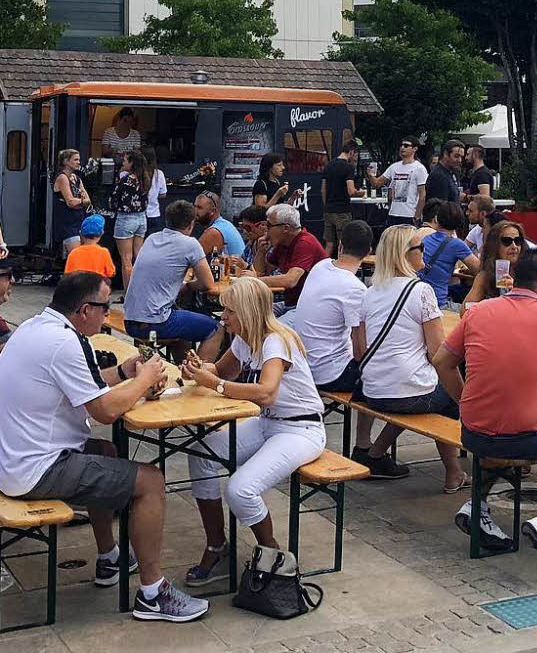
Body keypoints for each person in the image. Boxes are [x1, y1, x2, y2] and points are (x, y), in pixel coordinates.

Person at [0, 271, 209, 621]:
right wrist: (143, 381)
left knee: (107, 454)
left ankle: (110, 557)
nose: (108, 312)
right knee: (151, 481)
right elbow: (107, 411)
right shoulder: (62, 344)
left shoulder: (39, 328)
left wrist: (127, 374)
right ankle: (153, 594)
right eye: (105, 305)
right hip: (35, 468)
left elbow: (88, 385)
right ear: (84, 310)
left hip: (15, 457)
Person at [434, 248, 537, 580]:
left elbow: (441, 360)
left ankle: (476, 507)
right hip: (527, 436)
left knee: (504, 435)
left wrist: (465, 400)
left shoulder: (479, 312)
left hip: (474, 433)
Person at [181, 278, 326, 587]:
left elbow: (266, 392)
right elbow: (221, 371)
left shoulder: (276, 340)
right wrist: (198, 369)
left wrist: (213, 384)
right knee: (200, 455)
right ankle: (216, 544)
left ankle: (272, 554)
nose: (223, 317)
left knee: (240, 489)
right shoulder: (245, 338)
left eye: (229, 311)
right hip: (268, 423)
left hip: (301, 428)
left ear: (246, 312)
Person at [352, 225, 467, 491]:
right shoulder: (421, 290)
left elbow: (360, 352)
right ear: (404, 254)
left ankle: (376, 453)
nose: (425, 251)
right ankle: (454, 472)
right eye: (420, 247)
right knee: (451, 396)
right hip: (405, 392)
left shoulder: (369, 293)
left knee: (413, 393)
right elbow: (438, 355)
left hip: (373, 390)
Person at [123, 200, 224, 361]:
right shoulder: (190, 244)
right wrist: (189, 285)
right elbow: (208, 284)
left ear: (167, 221)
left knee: (182, 328)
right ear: (191, 224)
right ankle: (198, 378)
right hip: (155, 324)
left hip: (130, 321)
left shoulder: (152, 238)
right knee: (217, 329)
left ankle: (180, 370)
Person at [293, 220, 370, 394]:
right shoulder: (355, 289)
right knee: (384, 377)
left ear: (340, 246)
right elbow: (359, 351)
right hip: (331, 375)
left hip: (303, 366)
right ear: (368, 252)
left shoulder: (321, 266)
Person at [250, 203, 327, 319]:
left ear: (286, 228)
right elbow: (262, 272)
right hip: (289, 304)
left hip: (308, 308)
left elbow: (290, 280)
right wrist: (261, 252)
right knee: (246, 317)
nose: (266, 230)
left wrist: (253, 280)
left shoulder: (305, 243)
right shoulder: (283, 242)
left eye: (269, 226)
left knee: (274, 330)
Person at [418, 202, 481, 310]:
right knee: (477, 310)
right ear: (459, 223)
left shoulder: (425, 239)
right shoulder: (457, 244)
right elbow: (479, 270)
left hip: (419, 300)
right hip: (439, 303)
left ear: (436, 219)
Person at [462, 220, 527, 310]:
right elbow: (465, 309)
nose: (514, 246)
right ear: (495, 246)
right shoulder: (485, 276)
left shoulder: (528, 274)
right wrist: (487, 305)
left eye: (517, 240)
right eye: (506, 241)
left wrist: (516, 292)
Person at [111, 150, 151, 292]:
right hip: (141, 218)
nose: (123, 162)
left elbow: (115, 199)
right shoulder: (145, 179)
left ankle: (128, 293)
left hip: (126, 218)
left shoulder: (126, 180)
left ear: (132, 163)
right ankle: (141, 289)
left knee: (126, 260)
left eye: (126, 160)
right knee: (138, 257)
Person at [368, 136, 428, 226]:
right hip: (393, 213)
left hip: (409, 214)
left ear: (414, 149)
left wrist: (417, 216)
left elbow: (422, 195)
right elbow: (377, 184)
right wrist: (371, 175)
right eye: (401, 145)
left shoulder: (419, 168)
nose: (402, 147)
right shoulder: (394, 167)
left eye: (406, 145)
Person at [321, 140, 365, 258]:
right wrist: (360, 193)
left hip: (328, 210)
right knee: (343, 243)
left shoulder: (328, 165)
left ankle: (322, 268)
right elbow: (351, 191)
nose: (354, 158)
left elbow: (323, 190)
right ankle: (342, 269)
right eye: (355, 155)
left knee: (329, 243)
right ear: (351, 152)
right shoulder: (348, 168)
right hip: (342, 210)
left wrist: (327, 205)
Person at [53, 149, 91, 256]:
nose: (79, 162)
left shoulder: (77, 179)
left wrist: (80, 202)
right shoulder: (62, 178)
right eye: (75, 160)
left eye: (79, 160)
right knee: (76, 256)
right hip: (67, 223)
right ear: (66, 161)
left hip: (79, 220)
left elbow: (88, 200)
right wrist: (81, 201)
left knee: (84, 254)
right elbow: (70, 202)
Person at [194, 191, 245, 258]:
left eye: (199, 208)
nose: (195, 211)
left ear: (212, 211)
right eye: (194, 206)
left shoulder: (214, 231)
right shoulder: (225, 224)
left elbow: (192, 259)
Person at [142, 148, 167, 236]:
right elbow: (163, 194)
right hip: (154, 214)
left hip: (140, 215)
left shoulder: (138, 173)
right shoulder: (159, 173)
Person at [237, 204, 268, 268]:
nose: (244, 232)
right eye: (242, 227)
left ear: (262, 225)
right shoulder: (251, 243)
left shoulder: (270, 247)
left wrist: (246, 266)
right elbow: (242, 261)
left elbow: (268, 275)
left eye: (248, 228)